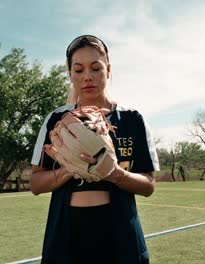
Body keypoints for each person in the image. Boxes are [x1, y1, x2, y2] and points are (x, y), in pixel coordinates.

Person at [30, 35, 159, 264]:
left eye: (95, 68)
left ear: (108, 70)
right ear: (70, 74)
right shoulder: (57, 120)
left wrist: (113, 173)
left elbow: (148, 186)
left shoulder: (132, 119)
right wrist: (69, 168)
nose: (87, 76)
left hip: (121, 237)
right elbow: (36, 184)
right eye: (78, 70)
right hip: (66, 239)